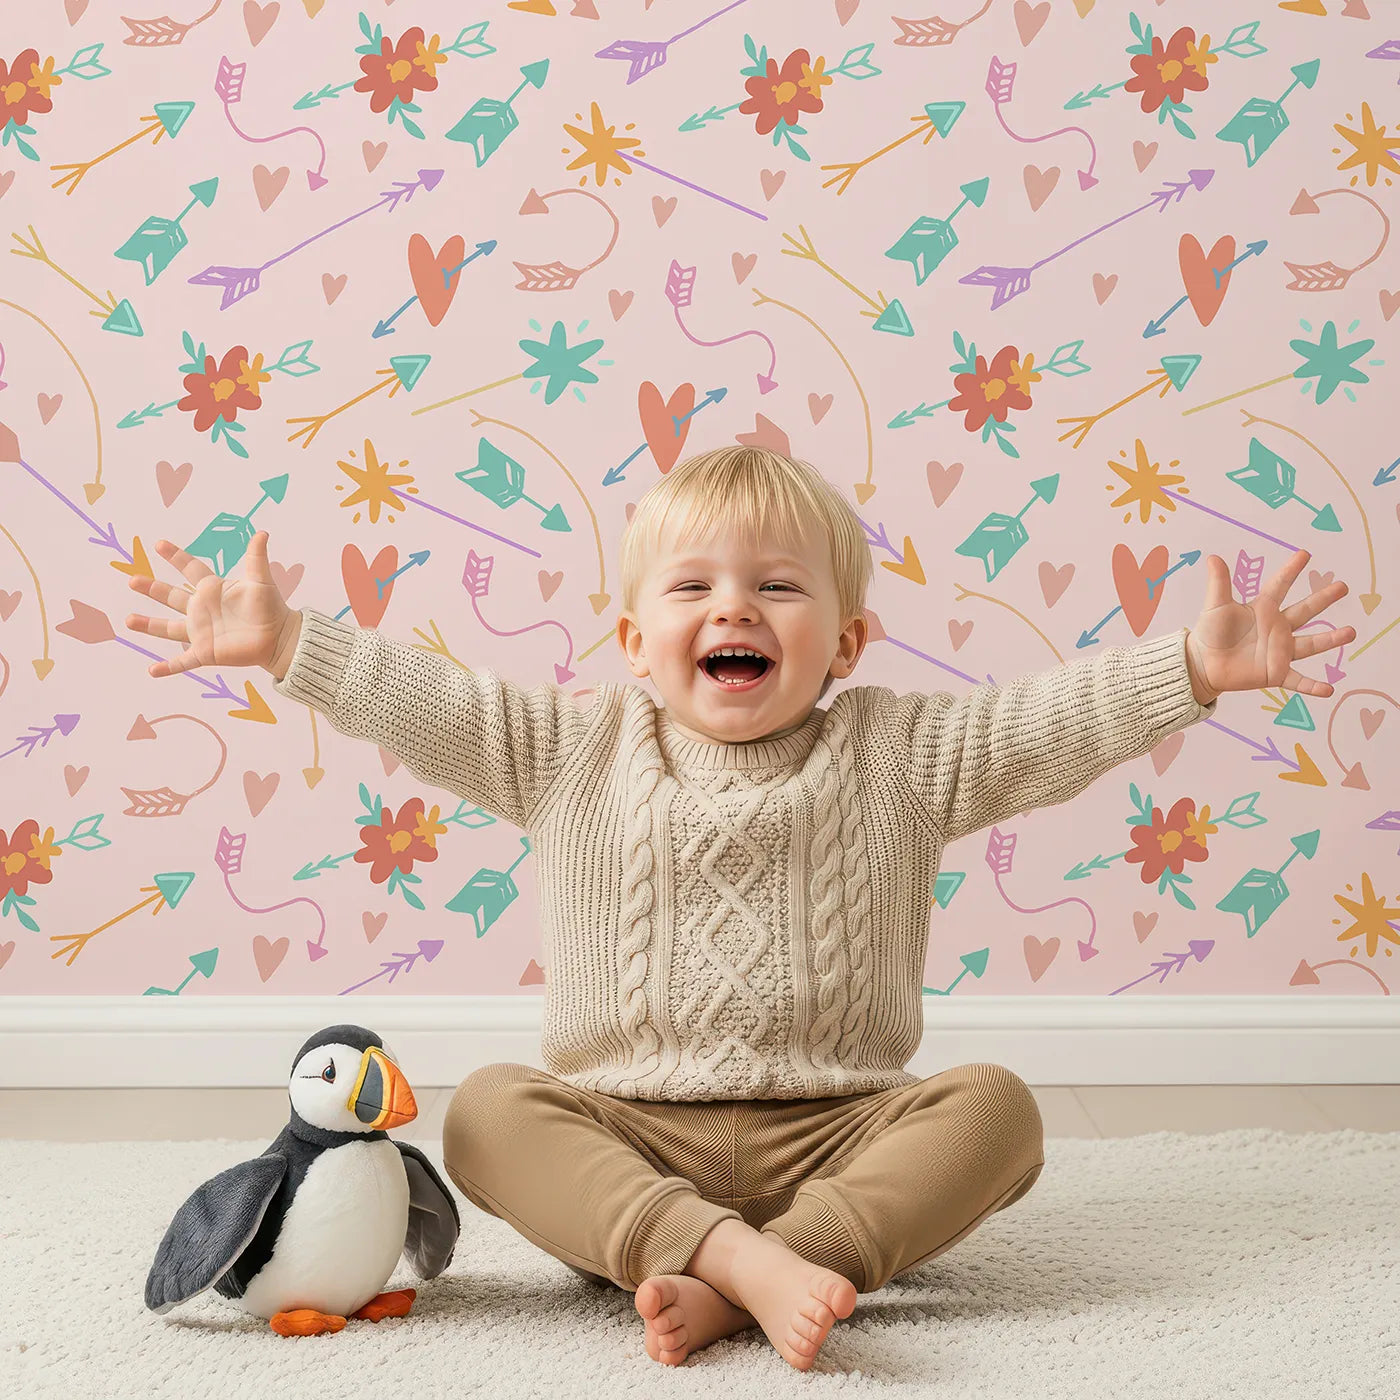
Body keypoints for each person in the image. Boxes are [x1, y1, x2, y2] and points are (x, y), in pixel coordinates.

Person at [124, 445, 1354, 1371]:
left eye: (777, 585)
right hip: (630, 1137)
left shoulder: (902, 752)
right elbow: (427, 701)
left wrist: (1187, 669)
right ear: (630, 636)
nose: (733, 608)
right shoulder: (571, 746)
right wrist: (291, 644)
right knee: (492, 1110)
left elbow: (1047, 724)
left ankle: (759, 1263)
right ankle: (742, 1262)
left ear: (847, 640)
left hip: (839, 1131)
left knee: (995, 1109)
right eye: (692, 586)